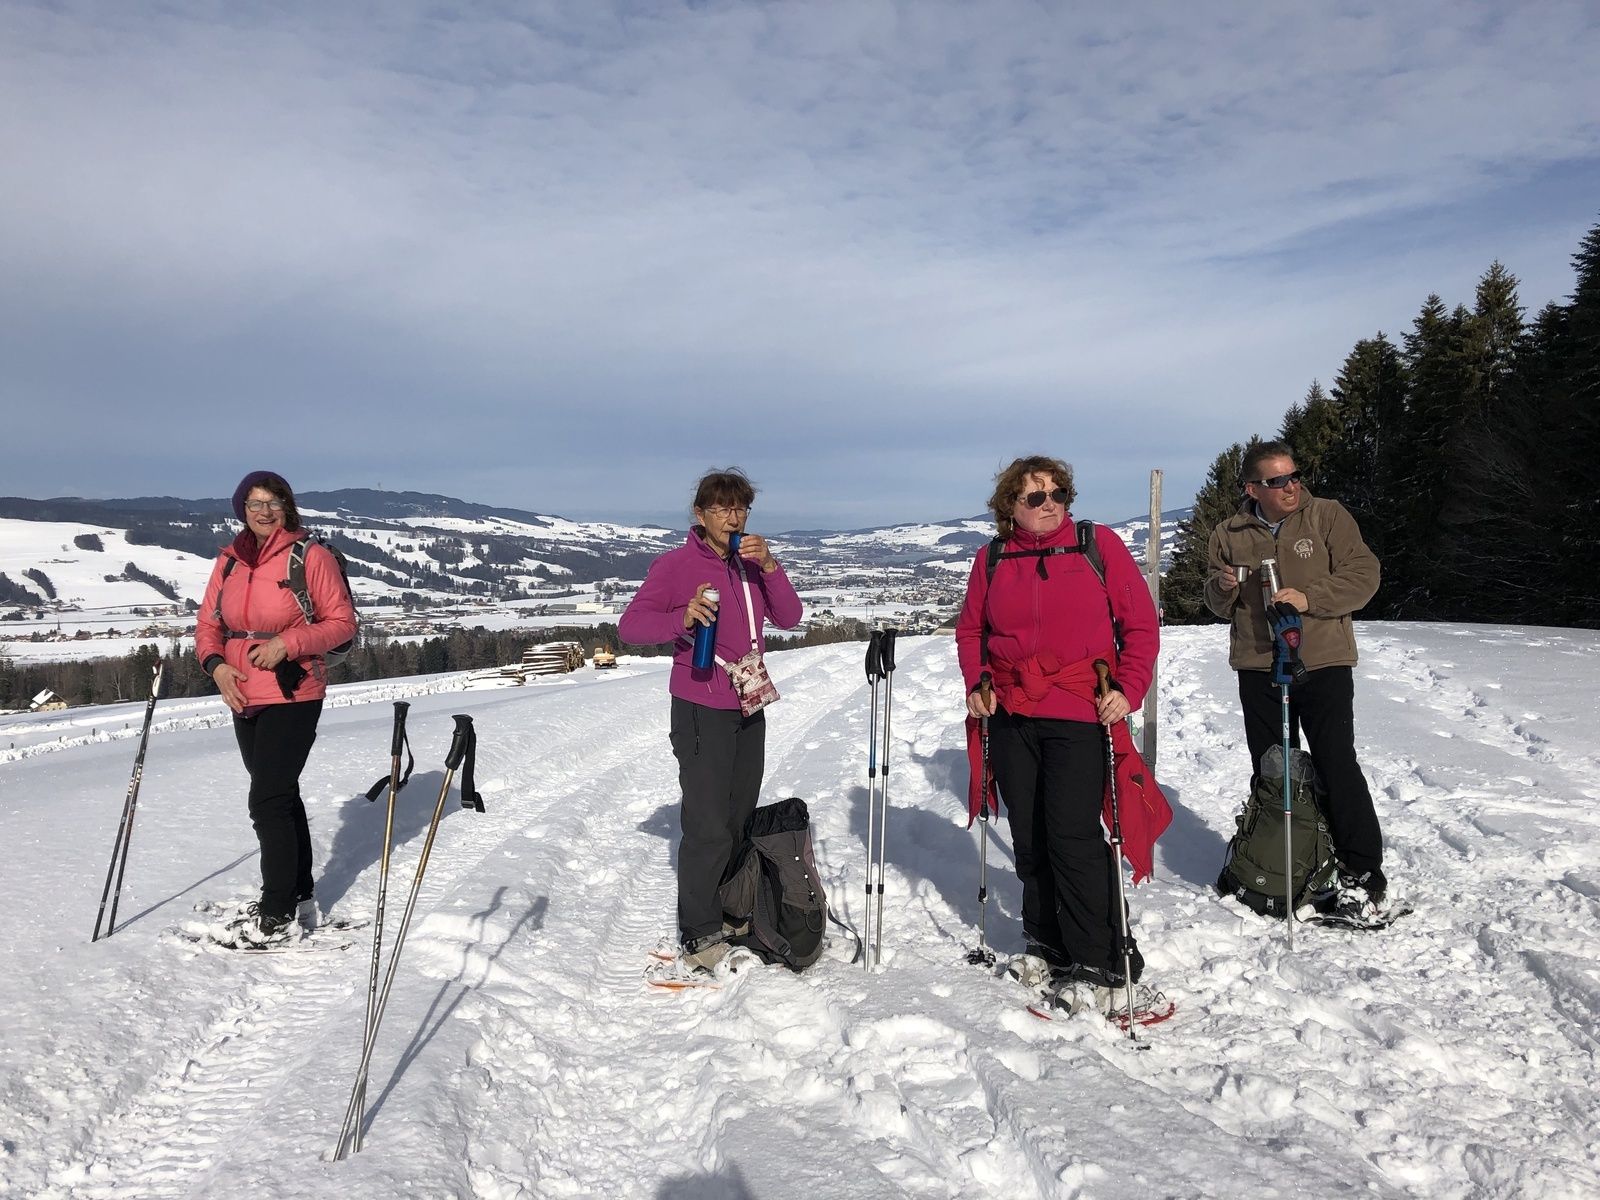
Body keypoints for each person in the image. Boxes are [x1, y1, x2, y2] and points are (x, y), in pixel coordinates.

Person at [955, 455, 1161, 1009]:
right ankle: (1046, 940)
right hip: (1011, 710)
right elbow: (972, 629)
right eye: (1034, 496)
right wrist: (977, 680)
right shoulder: (993, 558)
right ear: (1010, 507)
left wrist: (1130, 688)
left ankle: (1103, 955)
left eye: (1058, 493)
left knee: (1071, 833)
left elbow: (1140, 625)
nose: (1049, 504)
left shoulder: (1099, 547)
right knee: (1028, 831)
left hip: (1077, 706)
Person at [618, 468, 804, 976]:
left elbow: (789, 616)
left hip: (749, 703)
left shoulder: (751, 565)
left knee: (739, 814)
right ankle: (699, 931)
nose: (733, 517)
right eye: (721, 508)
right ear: (700, 515)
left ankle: (733, 908)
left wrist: (770, 565)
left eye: (741, 508)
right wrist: (680, 621)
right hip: (701, 705)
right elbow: (630, 626)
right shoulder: (676, 565)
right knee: (706, 823)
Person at [1203, 441, 1386, 920]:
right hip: (1258, 665)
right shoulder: (1229, 532)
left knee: (1334, 763)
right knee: (1272, 767)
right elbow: (1216, 602)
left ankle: (1361, 872)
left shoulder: (1326, 516)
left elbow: (1364, 575)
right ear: (1252, 488)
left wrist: (1309, 598)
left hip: (1322, 661)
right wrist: (1222, 589)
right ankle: (1274, 859)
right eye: (1277, 480)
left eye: (1294, 475)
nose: (1291, 486)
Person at [195, 471, 356, 946]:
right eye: (253, 503)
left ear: (287, 507)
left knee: (266, 801)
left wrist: (289, 643)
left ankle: (278, 910)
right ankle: (300, 894)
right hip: (242, 691)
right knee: (279, 796)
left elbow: (341, 623)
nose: (263, 512)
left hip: (294, 690)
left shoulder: (311, 555)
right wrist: (217, 667)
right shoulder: (229, 561)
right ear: (240, 509)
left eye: (272, 502)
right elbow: (208, 623)